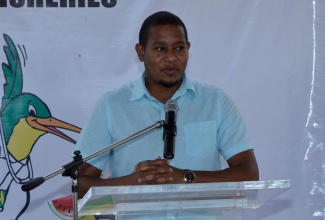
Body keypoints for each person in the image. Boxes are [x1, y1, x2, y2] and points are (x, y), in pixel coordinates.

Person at [75, 11, 259, 201]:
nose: (171, 57)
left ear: (188, 49)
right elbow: (80, 184)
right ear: (140, 52)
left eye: (179, 48)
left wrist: (186, 177)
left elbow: (249, 173)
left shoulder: (216, 102)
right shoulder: (111, 106)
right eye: (160, 49)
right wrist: (133, 182)